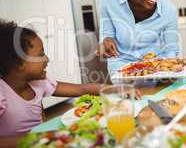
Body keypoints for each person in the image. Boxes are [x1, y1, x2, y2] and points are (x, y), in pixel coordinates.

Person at [0, 20, 141, 147]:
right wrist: (43, 137)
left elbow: (82, 89)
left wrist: (113, 89)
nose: (47, 59)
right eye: (40, 54)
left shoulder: (39, 83)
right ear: (19, 64)